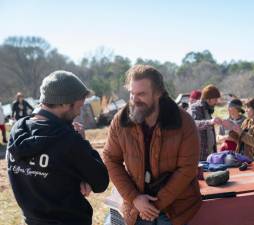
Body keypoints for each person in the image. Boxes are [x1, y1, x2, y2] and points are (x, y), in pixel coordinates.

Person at [6, 70, 109, 225]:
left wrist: (81, 176)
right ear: (65, 103)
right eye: (78, 107)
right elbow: (101, 181)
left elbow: (56, 171)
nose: (79, 112)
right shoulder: (68, 139)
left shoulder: (18, 130)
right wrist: (82, 142)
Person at [103, 65, 202, 225]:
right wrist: (134, 198)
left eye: (141, 94)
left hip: (174, 207)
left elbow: (187, 168)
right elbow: (110, 158)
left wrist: (153, 206)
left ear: (158, 94)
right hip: (136, 204)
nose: (134, 99)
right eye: (131, 93)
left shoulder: (183, 122)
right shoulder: (121, 121)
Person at [188, 85, 222, 161]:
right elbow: (194, 124)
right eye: (215, 99)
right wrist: (210, 122)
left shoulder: (207, 109)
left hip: (209, 153)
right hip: (199, 154)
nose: (216, 102)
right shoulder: (195, 107)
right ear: (208, 99)